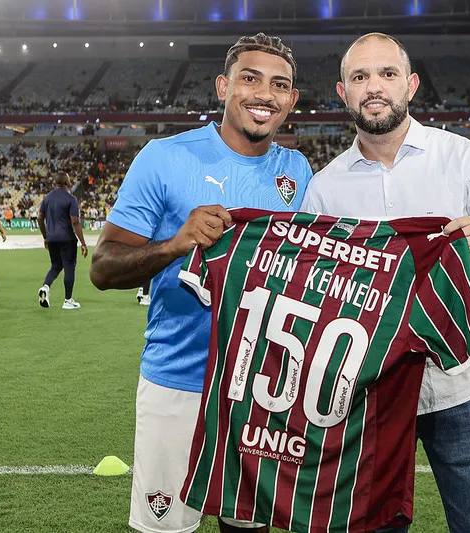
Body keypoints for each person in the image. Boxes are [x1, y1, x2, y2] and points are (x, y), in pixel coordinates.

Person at [300, 33, 470, 533]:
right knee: (371, 527)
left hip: (461, 386)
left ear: (411, 84)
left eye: (387, 74)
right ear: (343, 92)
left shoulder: (464, 160)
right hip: (366, 397)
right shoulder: (325, 189)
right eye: (360, 77)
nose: (374, 87)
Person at [89, 33, 312, 533]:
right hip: (178, 382)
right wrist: (175, 244)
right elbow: (102, 268)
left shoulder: (298, 171)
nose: (264, 94)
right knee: (165, 527)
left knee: (248, 527)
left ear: (292, 100)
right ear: (222, 87)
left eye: (279, 85)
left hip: (261, 392)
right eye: (250, 78)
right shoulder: (164, 157)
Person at [37, 172, 88, 310]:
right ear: (67, 183)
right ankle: (68, 300)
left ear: (55, 183)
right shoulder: (71, 199)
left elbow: (40, 218)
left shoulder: (47, 198)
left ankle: (45, 287)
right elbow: (75, 222)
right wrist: (83, 243)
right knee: (69, 267)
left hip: (52, 238)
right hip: (67, 238)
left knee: (56, 265)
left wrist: (45, 237)